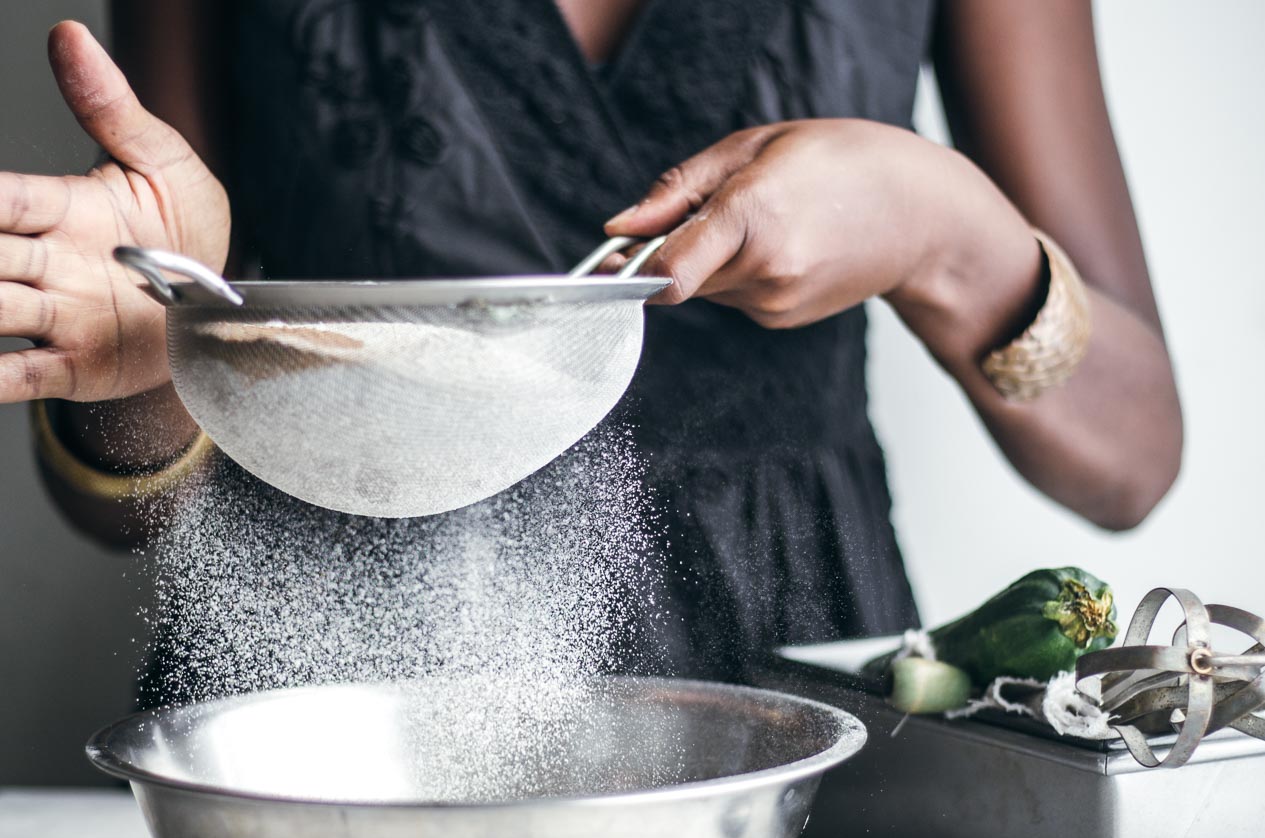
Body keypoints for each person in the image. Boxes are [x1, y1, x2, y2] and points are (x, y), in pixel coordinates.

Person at [2, 2, 1181, 684]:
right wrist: (163, 351)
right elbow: (123, 507)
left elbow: (1130, 455)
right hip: (326, 722)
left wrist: (946, 236)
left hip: (802, 696)